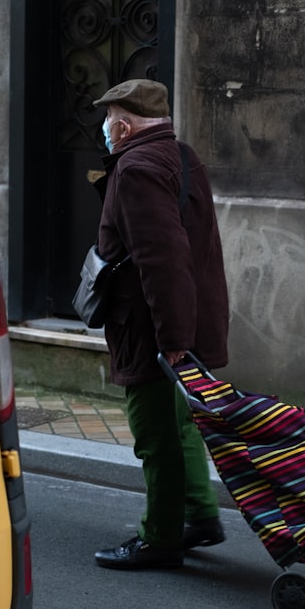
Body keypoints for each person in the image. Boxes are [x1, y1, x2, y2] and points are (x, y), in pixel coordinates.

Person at [90, 79, 230, 569]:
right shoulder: (182, 156)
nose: (105, 130)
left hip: (153, 331)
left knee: (154, 435)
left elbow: (162, 260)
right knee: (182, 423)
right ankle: (198, 513)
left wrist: (172, 340)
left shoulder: (136, 168)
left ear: (124, 125)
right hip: (192, 321)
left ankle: (161, 538)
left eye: (108, 120)